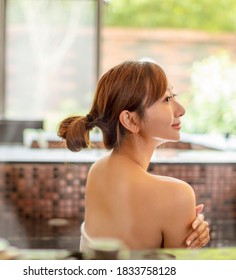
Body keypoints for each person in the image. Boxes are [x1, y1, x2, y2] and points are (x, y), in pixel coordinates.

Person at [58, 60, 210, 251]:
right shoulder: (177, 195)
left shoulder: (98, 171)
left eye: (173, 96)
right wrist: (192, 241)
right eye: (166, 100)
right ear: (130, 119)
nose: (181, 110)